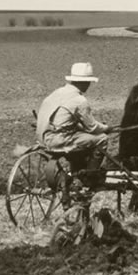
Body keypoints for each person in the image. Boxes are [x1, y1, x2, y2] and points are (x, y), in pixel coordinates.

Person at [36, 62, 112, 207]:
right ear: (85, 82)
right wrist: (107, 128)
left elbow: (61, 118)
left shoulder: (57, 93)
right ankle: (89, 177)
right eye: (89, 82)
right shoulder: (79, 100)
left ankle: (76, 170)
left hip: (43, 138)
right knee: (102, 139)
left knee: (81, 137)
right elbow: (93, 127)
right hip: (58, 141)